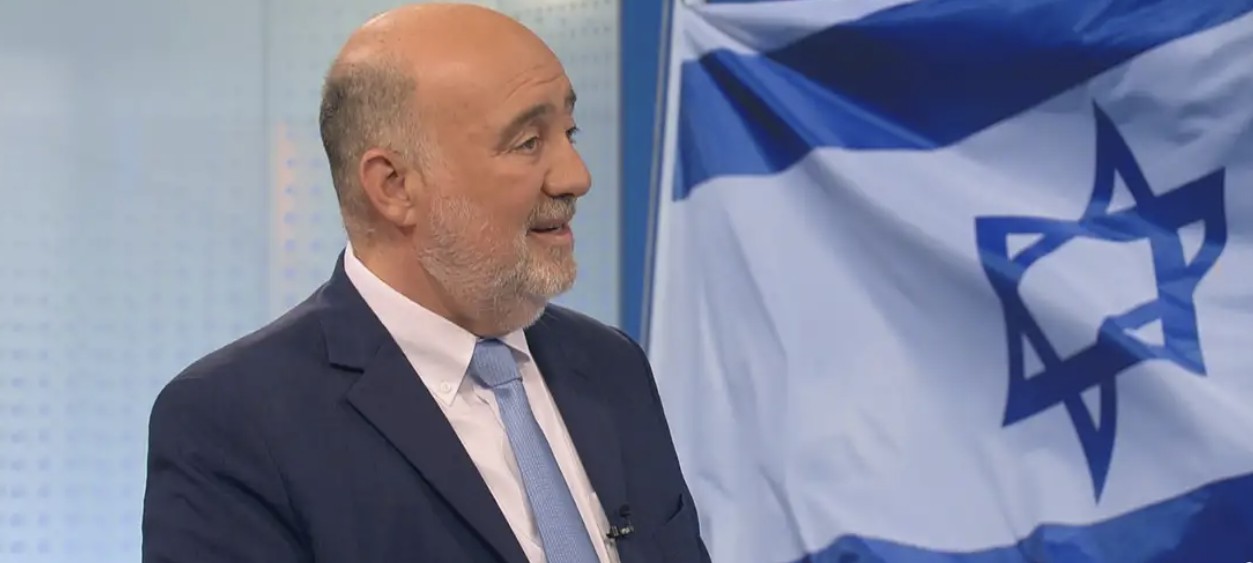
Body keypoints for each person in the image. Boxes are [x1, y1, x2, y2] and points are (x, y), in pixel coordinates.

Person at [139, 4, 710, 563]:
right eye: (527, 143)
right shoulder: (235, 422)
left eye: (569, 131)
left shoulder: (611, 366)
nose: (575, 176)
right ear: (394, 186)